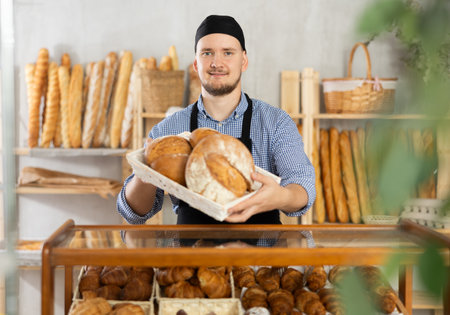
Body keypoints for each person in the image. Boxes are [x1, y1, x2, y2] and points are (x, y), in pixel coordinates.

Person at [117, 14, 315, 227]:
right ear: (196, 63)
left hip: (260, 258)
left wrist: (281, 197)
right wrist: (145, 172)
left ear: (244, 61)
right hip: (192, 258)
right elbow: (134, 214)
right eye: (207, 53)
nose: (216, 62)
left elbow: (302, 187)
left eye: (228, 53)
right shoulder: (169, 129)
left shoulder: (275, 122)